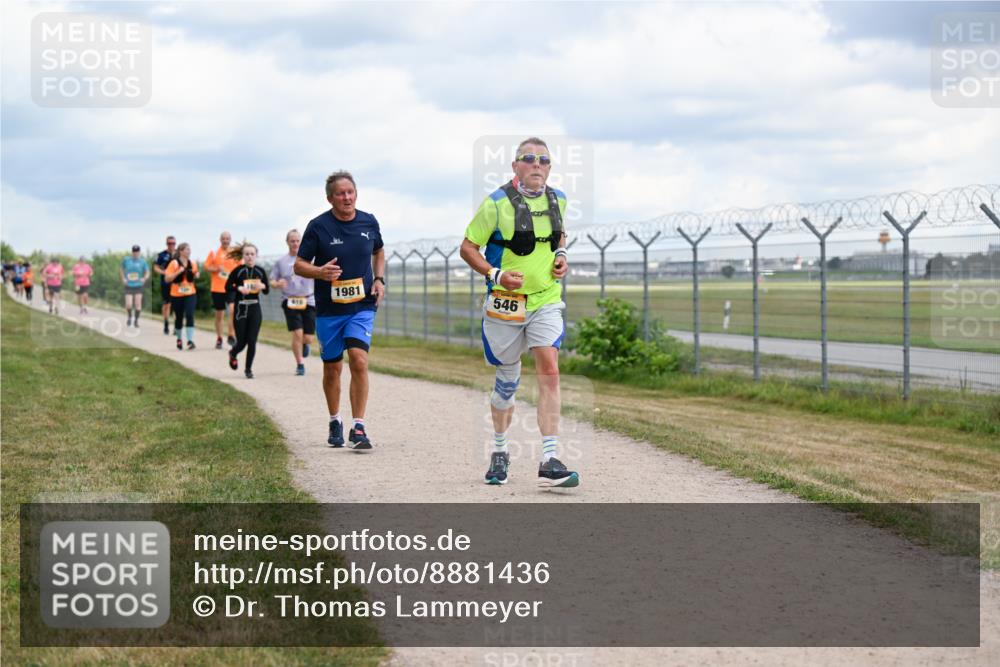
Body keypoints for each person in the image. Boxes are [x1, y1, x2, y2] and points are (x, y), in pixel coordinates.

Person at [459, 137, 577, 488]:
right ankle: (500, 449)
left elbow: (559, 236)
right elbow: (468, 247)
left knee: (550, 369)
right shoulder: (495, 204)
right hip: (505, 305)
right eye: (529, 159)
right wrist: (495, 275)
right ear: (515, 166)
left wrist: (561, 257)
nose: (536, 164)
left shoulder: (559, 199)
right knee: (506, 385)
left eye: (543, 160)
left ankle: (550, 458)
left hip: (544, 299)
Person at [294, 170, 385, 451]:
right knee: (332, 368)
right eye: (340, 193)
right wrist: (319, 272)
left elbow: (378, 251)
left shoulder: (368, 221)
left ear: (356, 193)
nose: (346, 197)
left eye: (350, 192)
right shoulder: (318, 226)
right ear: (330, 198)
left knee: (358, 359)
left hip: (362, 306)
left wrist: (379, 279)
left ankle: (359, 426)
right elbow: (299, 265)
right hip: (329, 310)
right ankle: (335, 419)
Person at [270, 229, 316, 376]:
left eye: (297, 241)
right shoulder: (281, 262)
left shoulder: (311, 259)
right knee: (297, 333)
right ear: (287, 242)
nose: (295, 243)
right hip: (289, 300)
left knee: (308, 337)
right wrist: (277, 284)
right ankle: (300, 364)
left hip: (308, 300)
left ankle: (305, 344)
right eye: (292, 241)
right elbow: (272, 280)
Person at [225, 242, 270, 379]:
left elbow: (267, 290)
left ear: (256, 255)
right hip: (241, 308)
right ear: (243, 256)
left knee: (252, 340)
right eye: (247, 254)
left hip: (255, 307)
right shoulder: (238, 271)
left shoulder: (260, 271)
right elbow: (227, 286)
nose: (249, 257)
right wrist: (238, 288)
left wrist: (262, 285)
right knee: (242, 342)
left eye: (252, 254)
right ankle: (233, 353)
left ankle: (248, 369)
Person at [205, 231, 241, 349]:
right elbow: (206, 266)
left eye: (227, 238)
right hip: (217, 288)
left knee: (232, 309)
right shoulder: (214, 253)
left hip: (231, 287)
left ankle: (231, 334)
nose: (225, 240)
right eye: (223, 238)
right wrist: (216, 268)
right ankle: (219, 338)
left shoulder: (235, 253)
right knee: (219, 314)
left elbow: (241, 267)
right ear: (220, 240)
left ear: (230, 240)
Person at [164, 242, 200, 350]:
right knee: (179, 318)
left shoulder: (192, 263)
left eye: (190, 249)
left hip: (190, 293)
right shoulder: (174, 263)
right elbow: (167, 279)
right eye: (187, 249)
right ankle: (179, 339)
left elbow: (196, 274)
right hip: (176, 294)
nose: (189, 251)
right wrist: (177, 272)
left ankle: (189, 341)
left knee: (190, 314)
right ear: (181, 251)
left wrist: (197, 275)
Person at [120, 245, 150, 327]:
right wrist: (123, 278)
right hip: (128, 284)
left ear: (139, 252)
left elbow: (147, 272)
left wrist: (144, 278)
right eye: (134, 252)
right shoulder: (126, 260)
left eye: (137, 252)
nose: (135, 253)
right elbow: (121, 269)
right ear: (132, 252)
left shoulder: (143, 262)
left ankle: (136, 320)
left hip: (138, 285)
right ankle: (130, 317)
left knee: (137, 304)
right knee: (129, 304)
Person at [153, 236, 176, 335]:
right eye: (169, 243)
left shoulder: (178, 254)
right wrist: (164, 272)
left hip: (176, 283)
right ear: (166, 244)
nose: (171, 245)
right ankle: (166, 323)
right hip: (165, 283)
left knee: (175, 305)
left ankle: (176, 325)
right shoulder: (161, 255)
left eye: (173, 243)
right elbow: (155, 267)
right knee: (167, 305)